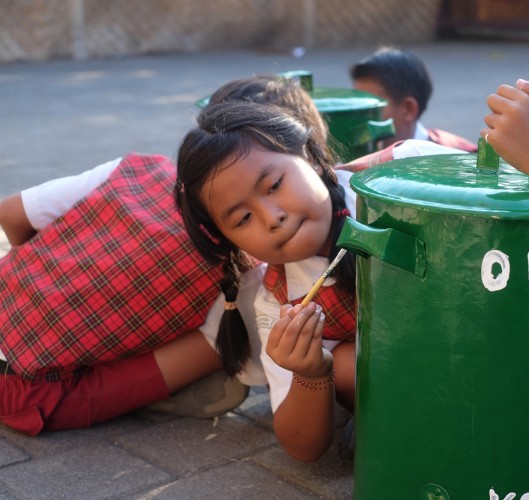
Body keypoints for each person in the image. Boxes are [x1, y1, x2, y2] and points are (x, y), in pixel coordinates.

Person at [0, 75, 324, 436]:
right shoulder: (251, 274)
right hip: (25, 393)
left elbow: (11, 214)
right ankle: (163, 391)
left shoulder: (137, 167)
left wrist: (41, 285)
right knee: (229, 340)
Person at [175, 98, 357, 463]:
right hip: (430, 392)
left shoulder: (390, 192)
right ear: (232, 243)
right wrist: (310, 373)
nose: (271, 217)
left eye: (274, 185)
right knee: (346, 365)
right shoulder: (281, 304)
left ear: (311, 157)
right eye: (242, 219)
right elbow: (302, 447)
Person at [350, 47, 478, 152]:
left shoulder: (460, 160)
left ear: (408, 109)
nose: (355, 114)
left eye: (370, 106)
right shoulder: (343, 160)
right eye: (354, 103)